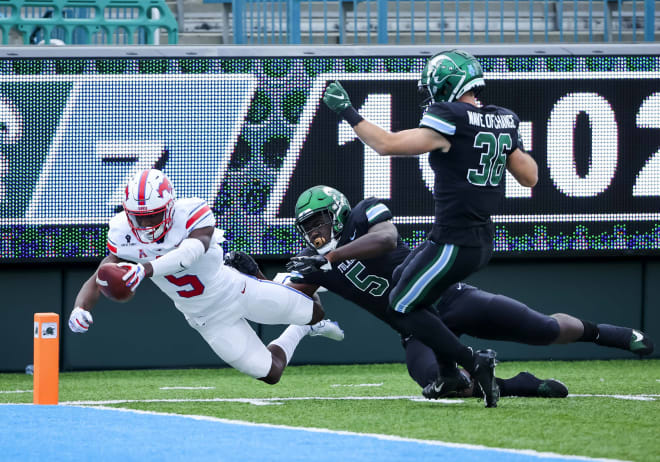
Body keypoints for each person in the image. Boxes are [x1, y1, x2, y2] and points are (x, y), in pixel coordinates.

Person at [274, 186, 654, 400]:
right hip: (415, 330)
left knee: (542, 330)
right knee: (439, 386)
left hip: (450, 299)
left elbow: (386, 237)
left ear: (338, 212)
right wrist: (255, 277)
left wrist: (332, 258)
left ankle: (609, 334)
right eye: (309, 228)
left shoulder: (364, 213)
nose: (316, 234)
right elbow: (295, 302)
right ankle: (514, 385)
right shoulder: (313, 260)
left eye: (320, 223)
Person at [318, 49, 538, 407]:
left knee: (401, 307)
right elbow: (529, 177)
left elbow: (386, 145)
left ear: (447, 84)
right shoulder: (504, 119)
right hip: (479, 238)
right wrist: (511, 142)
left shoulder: (449, 116)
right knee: (410, 278)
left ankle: (472, 363)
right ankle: (449, 372)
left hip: (454, 240)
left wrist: (347, 111)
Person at [68, 168, 344, 385]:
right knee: (271, 373)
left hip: (237, 289)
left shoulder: (192, 212)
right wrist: (80, 307)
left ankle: (283, 287)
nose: (147, 225)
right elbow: (100, 274)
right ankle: (300, 328)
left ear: (170, 207)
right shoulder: (121, 232)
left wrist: (145, 269)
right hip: (206, 318)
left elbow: (190, 252)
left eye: (153, 217)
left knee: (315, 312)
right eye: (140, 219)